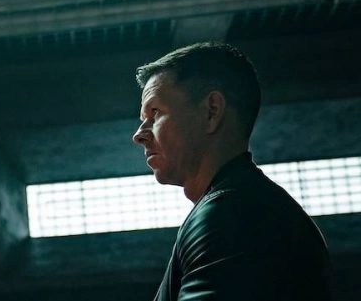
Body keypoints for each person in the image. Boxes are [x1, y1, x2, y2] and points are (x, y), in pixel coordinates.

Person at [131, 42, 332, 300]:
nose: (139, 135)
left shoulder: (233, 214)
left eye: (155, 113)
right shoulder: (244, 205)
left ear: (211, 111)